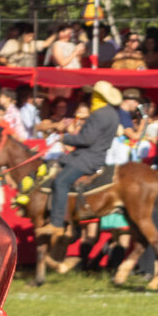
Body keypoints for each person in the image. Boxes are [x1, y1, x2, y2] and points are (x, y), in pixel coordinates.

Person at [40, 80, 123, 237]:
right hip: (97, 156)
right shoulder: (112, 113)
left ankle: (56, 223)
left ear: (98, 96)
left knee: (60, 181)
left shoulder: (99, 114)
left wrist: (65, 137)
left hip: (86, 159)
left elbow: (86, 139)